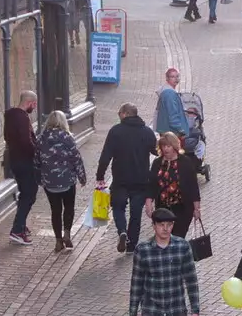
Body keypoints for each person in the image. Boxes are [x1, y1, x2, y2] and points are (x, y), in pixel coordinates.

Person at [95, 103, 157, 254]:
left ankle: (122, 231)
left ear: (124, 114)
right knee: (136, 214)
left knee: (118, 207)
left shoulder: (116, 131)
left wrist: (100, 176)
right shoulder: (147, 132)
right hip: (141, 179)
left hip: (120, 179)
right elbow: (156, 151)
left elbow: (105, 156)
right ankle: (131, 246)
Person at [36, 110, 87, 252]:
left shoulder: (40, 139)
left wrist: (40, 179)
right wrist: (82, 177)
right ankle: (67, 233)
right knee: (69, 207)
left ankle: (58, 240)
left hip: (49, 182)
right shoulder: (68, 138)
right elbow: (76, 159)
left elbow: (36, 161)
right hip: (68, 181)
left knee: (55, 210)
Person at [145, 131, 202, 236]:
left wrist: (196, 208)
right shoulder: (157, 163)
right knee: (163, 236)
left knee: (178, 236)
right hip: (162, 208)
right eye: (163, 146)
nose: (166, 149)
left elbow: (193, 186)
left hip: (182, 208)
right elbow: (152, 184)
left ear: (174, 146)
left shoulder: (185, 162)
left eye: (168, 146)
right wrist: (148, 203)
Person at [4, 89, 40, 247]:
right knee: (29, 194)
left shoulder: (10, 116)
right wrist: (37, 153)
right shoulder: (22, 118)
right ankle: (17, 230)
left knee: (25, 193)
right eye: (34, 104)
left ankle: (21, 224)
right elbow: (26, 142)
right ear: (30, 102)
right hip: (25, 162)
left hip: (14, 161)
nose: (35, 108)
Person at [154, 67, 191, 138]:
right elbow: (173, 114)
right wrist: (181, 130)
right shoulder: (169, 94)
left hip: (167, 131)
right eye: (172, 77)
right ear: (167, 79)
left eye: (177, 76)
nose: (176, 79)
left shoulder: (166, 92)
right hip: (172, 133)